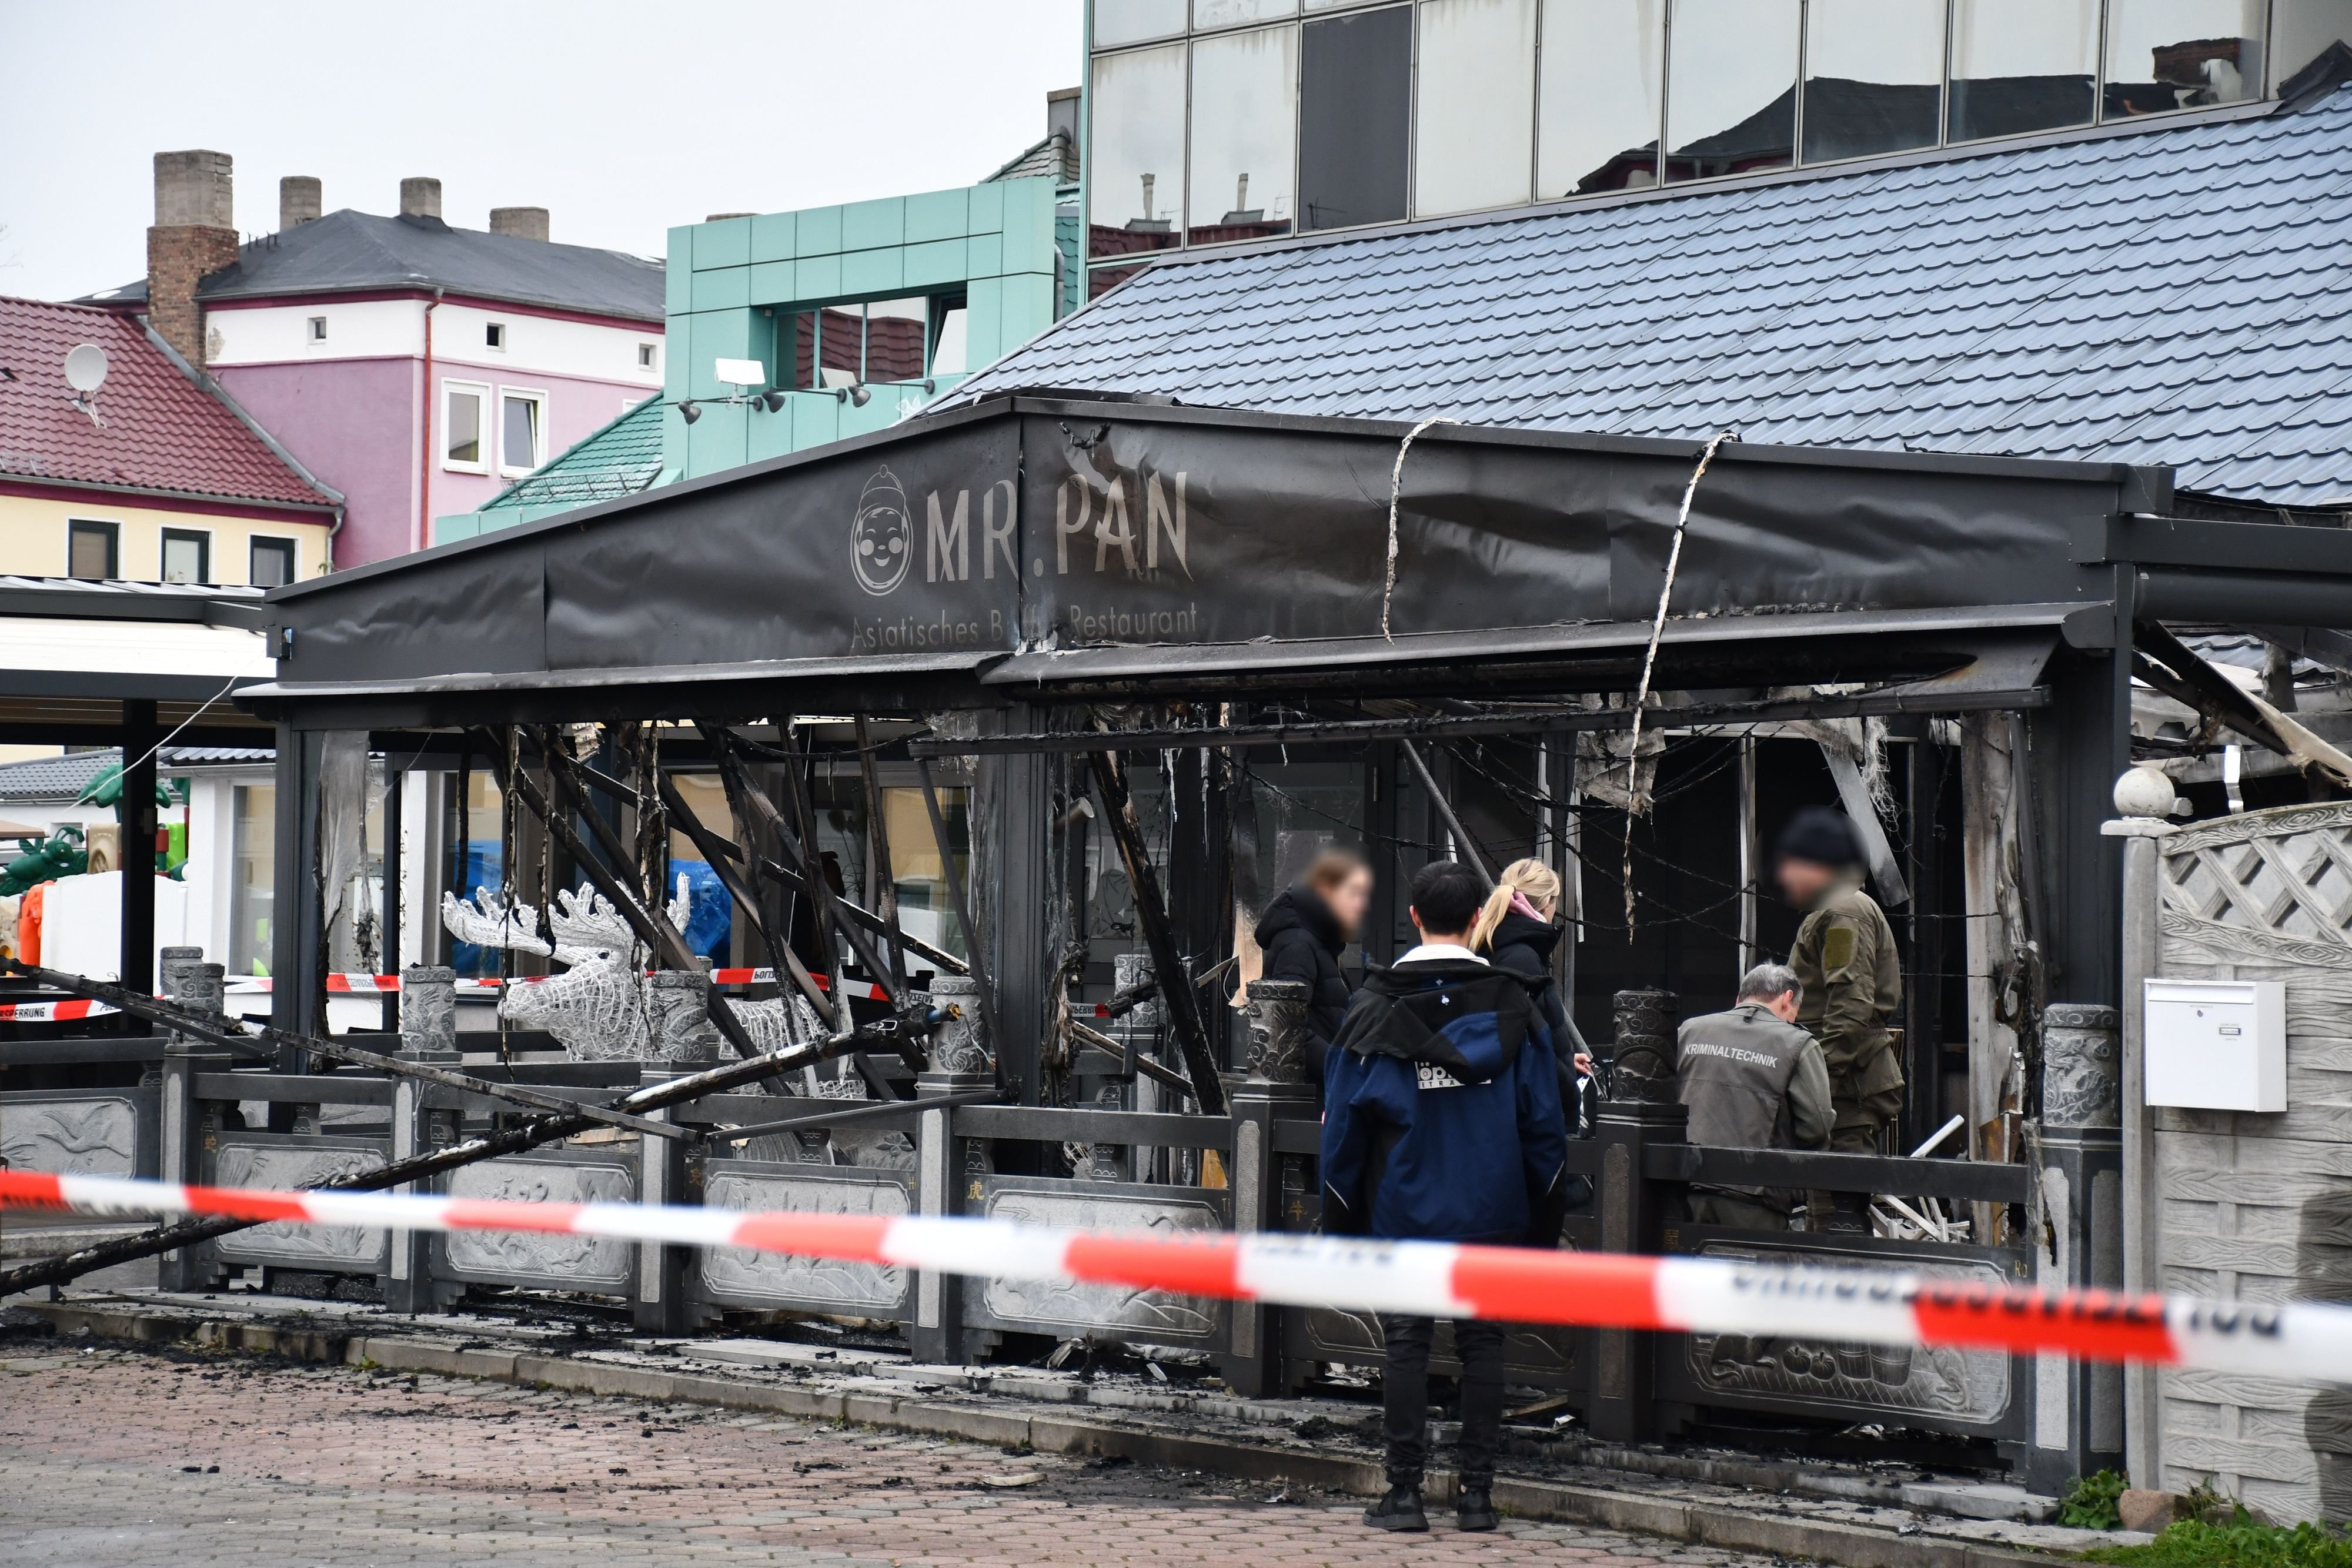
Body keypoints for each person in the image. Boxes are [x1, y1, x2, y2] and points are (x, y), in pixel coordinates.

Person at [1322, 860, 1570, 1535]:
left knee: (1406, 1343)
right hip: (1492, 1207)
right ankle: (1478, 1498)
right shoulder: (1514, 1005)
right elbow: (1545, 1129)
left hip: (1404, 1207)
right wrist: (1543, 1229)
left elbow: (1342, 1129)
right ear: (1474, 923)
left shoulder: (1371, 1008)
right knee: (1482, 1345)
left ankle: (1403, 1494)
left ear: (1412, 918)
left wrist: (1338, 1227)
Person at [1773, 806, 1903, 1233]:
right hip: (1846, 1079)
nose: (1784, 876)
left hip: (1846, 1084)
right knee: (1826, 1204)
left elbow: (1850, 1002)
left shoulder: (1843, 910)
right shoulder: (1838, 908)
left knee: (1836, 1217)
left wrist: (1818, 1078)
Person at [1674, 962, 1832, 1231]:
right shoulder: (1797, 1043)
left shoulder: (1688, 1031)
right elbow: (1817, 1124)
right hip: (1756, 1198)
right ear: (1788, 998)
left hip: (1684, 1188)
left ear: (1740, 999)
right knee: (1753, 1272)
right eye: (1795, 1012)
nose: (1793, 1020)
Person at [1469, 857, 1596, 1104]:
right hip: (1528, 1109)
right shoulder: (1522, 958)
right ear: (1548, 903)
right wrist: (1567, 1086)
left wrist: (1565, 1060)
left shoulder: (1497, 944)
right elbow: (1529, 1045)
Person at [1252, 847, 1371, 1088]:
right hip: (1311, 1098)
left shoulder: (1320, 940)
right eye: (1354, 893)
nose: (1361, 905)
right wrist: (1345, 1070)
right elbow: (1288, 1032)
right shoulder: (1299, 944)